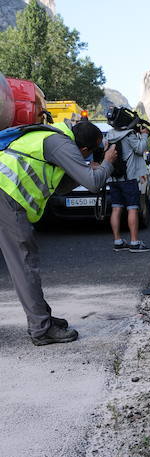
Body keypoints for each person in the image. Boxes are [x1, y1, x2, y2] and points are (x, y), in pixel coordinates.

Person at [0, 119, 116, 345]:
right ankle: (41, 329)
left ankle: (42, 318)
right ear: (84, 150)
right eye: (91, 153)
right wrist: (108, 163)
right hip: (6, 195)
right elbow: (94, 183)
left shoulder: (57, 141)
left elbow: (57, 186)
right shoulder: (59, 144)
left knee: (25, 261)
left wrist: (80, 171)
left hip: (6, 196)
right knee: (24, 263)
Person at [104, 120, 150, 252]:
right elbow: (140, 149)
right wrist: (144, 135)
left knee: (116, 209)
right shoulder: (129, 135)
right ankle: (135, 242)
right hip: (128, 179)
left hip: (113, 179)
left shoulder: (109, 135)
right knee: (132, 209)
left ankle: (118, 241)